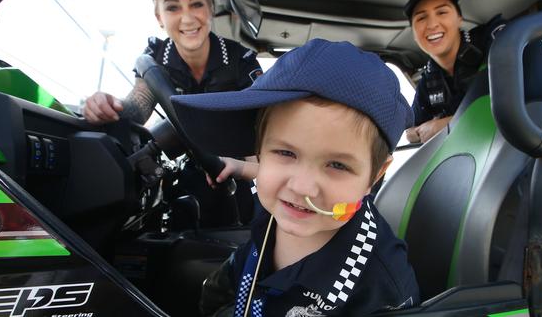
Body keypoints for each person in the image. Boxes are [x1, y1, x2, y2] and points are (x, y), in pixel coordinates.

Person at [171, 39, 419, 316]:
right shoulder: (273, 210)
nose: (301, 187)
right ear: (259, 150)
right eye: (285, 153)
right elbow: (229, 281)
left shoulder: (378, 290)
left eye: (337, 165)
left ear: (375, 175)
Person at [83, 0, 262, 226]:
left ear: (211, 8)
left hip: (239, 176)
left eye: (196, 4)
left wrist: (256, 170)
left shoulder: (240, 58)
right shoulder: (155, 56)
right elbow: (137, 108)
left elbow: (262, 125)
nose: (187, 18)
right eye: (173, 7)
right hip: (189, 177)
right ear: (159, 17)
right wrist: (106, 105)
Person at [403, 0, 504, 143]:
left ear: (459, 19)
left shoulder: (491, 42)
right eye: (421, 17)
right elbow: (409, 132)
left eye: (442, 12)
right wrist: (427, 128)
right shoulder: (429, 78)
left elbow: (514, 102)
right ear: (414, 34)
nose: (432, 24)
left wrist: (446, 125)